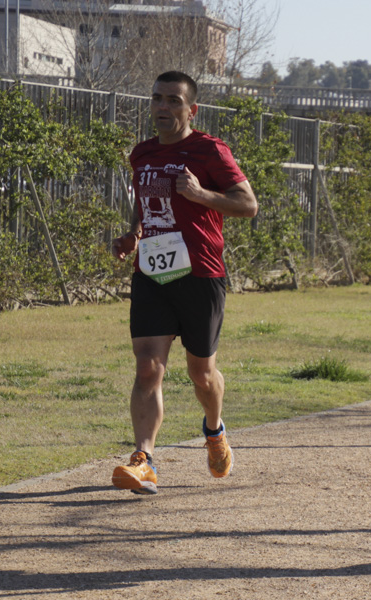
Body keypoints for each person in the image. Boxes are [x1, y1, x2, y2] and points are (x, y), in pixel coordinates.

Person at [108, 71, 258, 495]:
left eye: (174, 100)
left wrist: (201, 195)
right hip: (153, 274)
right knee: (147, 367)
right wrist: (134, 234)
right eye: (157, 98)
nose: (163, 107)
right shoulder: (142, 154)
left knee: (202, 374)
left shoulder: (209, 150)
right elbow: (144, 204)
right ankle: (144, 459)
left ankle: (214, 431)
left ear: (192, 110)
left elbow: (248, 205)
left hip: (201, 274)